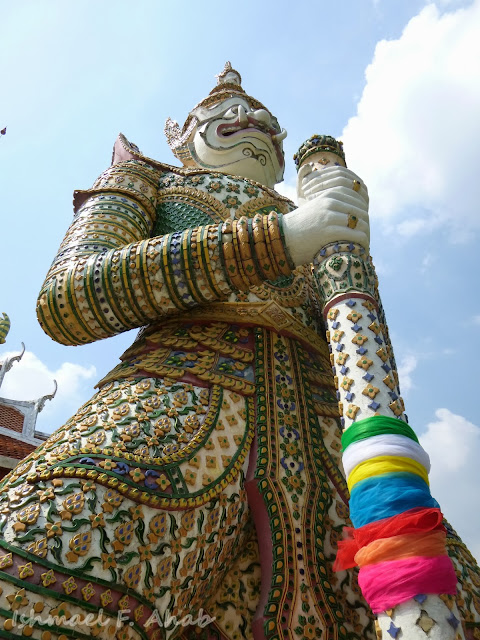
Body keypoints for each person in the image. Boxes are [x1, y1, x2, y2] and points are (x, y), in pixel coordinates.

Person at [0, 63, 476, 640]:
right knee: (31, 585)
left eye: (267, 123)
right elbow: (69, 298)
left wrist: (338, 239)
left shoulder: (319, 211)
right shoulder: (150, 181)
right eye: (225, 115)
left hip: (338, 440)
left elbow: (358, 345)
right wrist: (280, 239)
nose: (251, 122)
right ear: (183, 138)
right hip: (172, 404)